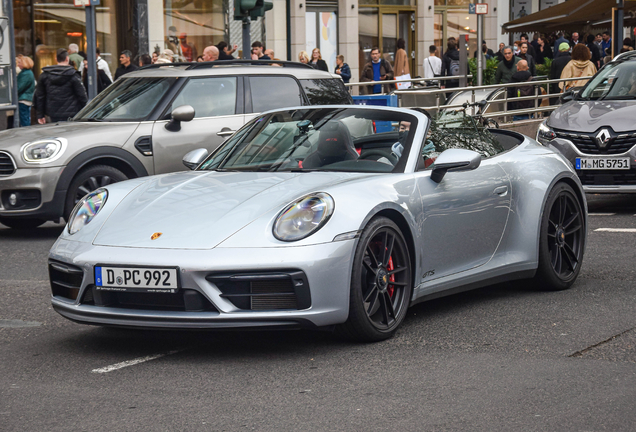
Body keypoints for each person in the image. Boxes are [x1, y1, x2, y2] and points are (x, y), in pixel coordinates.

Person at [35, 48, 87, 124]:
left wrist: (40, 114)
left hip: (52, 113)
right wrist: (86, 112)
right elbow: (82, 95)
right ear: (67, 58)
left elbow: (39, 96)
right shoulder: (73, 75)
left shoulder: (44, 75)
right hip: (72, 112)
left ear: (56, 59)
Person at [16, 55, 35, 127]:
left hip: (23, 100)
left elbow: (19, 87)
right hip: (26, 99)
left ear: (24, 63)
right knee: (26, 119)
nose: (18, 64)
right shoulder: (28, 73)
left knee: (24, 121)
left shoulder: (25, 74)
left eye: (19, 62)